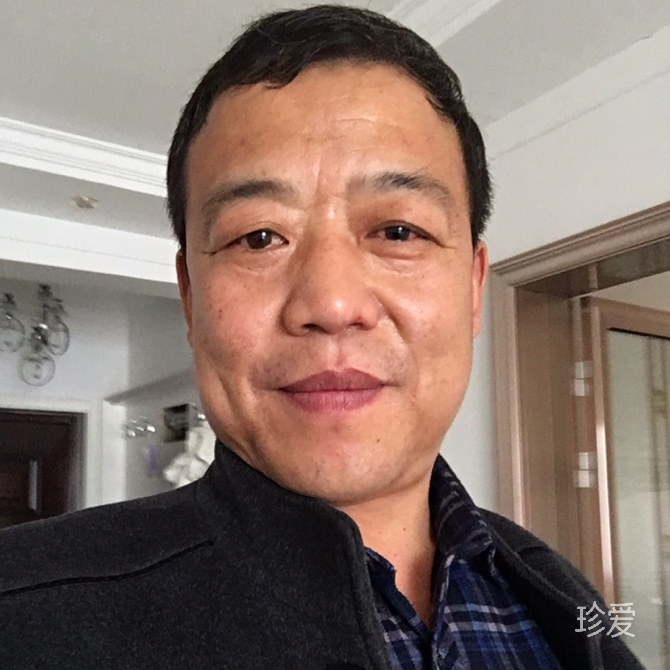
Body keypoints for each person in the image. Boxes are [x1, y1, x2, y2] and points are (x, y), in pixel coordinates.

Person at [0, 5, 643, 669]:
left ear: (473, 288)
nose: (333, 304)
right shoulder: (24, 615)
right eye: (259, 237)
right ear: (190, 298)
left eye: (398, 231)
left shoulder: (560, 595)